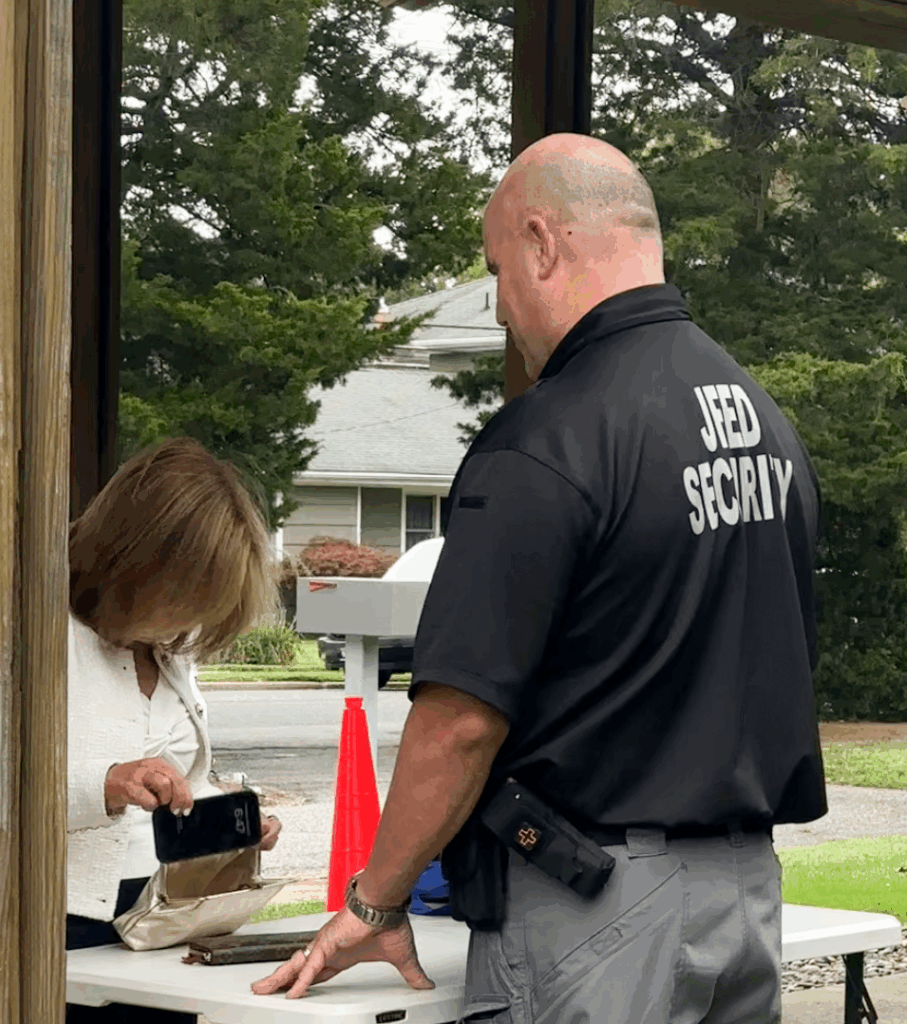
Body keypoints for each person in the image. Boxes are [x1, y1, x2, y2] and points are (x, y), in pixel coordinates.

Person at [250, 133, 827, 1024]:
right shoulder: (759, 419)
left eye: (496, 270)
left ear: (542, 243)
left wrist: (374, 901)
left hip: (595, 909)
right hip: (742, 895)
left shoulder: (546, 440)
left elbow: (460, 725)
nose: (500, 308)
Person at [67, 437, 283, 1024]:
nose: (191, 621)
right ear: (137, 558)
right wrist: (106, 783)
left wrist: (227, 821)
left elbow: (176, 785)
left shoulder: (167, 648)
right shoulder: (42, 633)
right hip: (64, 924)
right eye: (186, 596)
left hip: (168, 920)